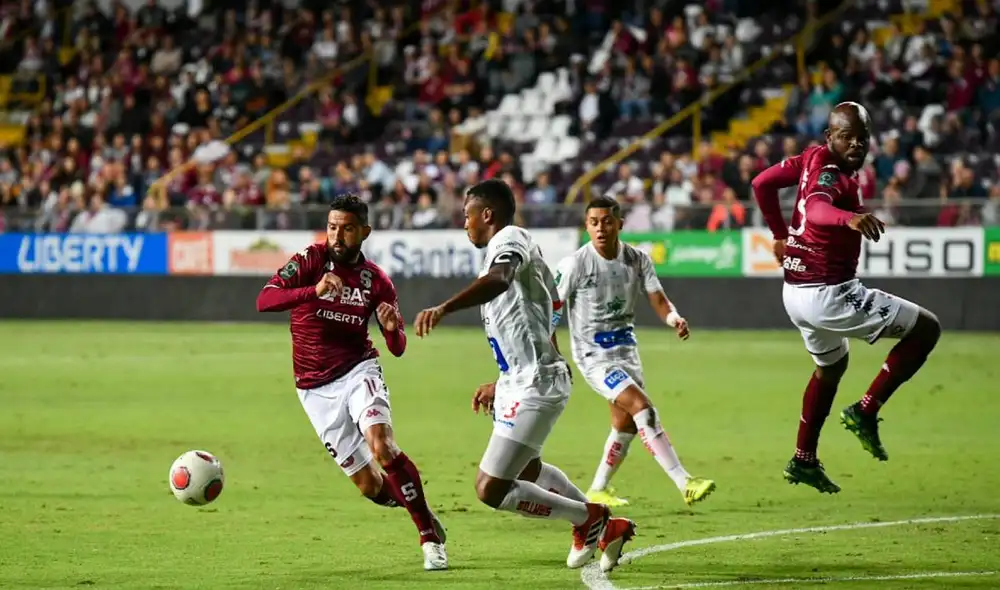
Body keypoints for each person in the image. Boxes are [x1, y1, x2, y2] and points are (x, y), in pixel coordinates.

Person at [413, 179, 635, 574]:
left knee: (490, 488)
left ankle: (588, 518)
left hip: (536, 383)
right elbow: (539, 321)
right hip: (523, 378)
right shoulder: (512, 255)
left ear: (487, 215)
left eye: (467, 216)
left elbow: (500, 280)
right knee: (528, 470)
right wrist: (501, 380)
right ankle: (602, 526)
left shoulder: (510, 239)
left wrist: (445, 308)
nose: (464, 225)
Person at [751, 102, 942, 494]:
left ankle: (804, 459)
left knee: (831, 369)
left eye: (862, 138)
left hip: (795, 293)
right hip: (829, 293)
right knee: (927, 329)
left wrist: (779, 234)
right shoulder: (832, 174)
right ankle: (866, 409)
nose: (855, 144)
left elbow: (761, 184)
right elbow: (820, 207)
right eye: (845, 136)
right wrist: (848, 218)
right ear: (830, 137)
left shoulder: (809, 158)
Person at [255, 193, 448, 570]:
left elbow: (398, 347)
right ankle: (420, 508)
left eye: (346, 229)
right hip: (313, 388)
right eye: (332, 227)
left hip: (359, 370)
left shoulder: (376, 281)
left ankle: (428, 539)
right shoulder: (311, 261)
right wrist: (314, 291)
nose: (337, 236)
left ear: (364, 232)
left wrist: (392, 330)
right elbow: (265, 299)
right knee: (370, 487)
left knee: (383, 445)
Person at [552, 195, 717, 508]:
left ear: (620, 224)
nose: (600, 228)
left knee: (625, 422)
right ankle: (685, 481)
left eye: (607, 221)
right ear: (586, 226)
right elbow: (552, 308)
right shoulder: (575, 264)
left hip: (627, 351)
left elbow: (657, 297)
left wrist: (673, 318)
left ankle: (598, 489)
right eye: (593, 222)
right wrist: (553, 354)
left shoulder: (637, 259)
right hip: (594, 356)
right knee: (643, 408)